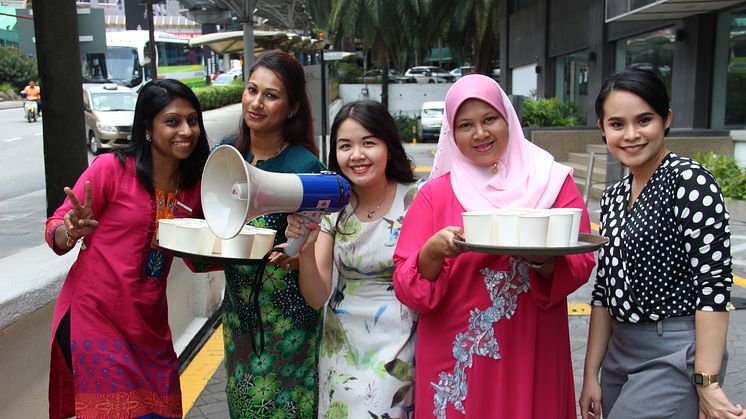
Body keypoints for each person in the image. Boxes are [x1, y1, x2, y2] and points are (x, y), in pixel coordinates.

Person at [392, 74, 595, 418]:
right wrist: (431, 253)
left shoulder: (552, 181)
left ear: (508, 119)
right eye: (465, 125)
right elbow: (408, 287)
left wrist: (538, 257)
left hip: (532, 348)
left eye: (489, 119)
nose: (480, 134)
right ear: (451, 134)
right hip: (456, 357)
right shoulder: (435, 195)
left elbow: (580, 262)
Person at [579, 68, 745, 419]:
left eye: (644, 120)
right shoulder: (613, 195)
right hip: (618, 351)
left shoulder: (689, 181)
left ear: (666, 119)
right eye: (617, 124)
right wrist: (590, 374)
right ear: (602, 127)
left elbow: (713, 285)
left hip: (674, 349)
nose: (631, 135)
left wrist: (707, 381)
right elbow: (604, 290)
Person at [45, 78, 210, 418]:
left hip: (150, 331)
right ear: (147, 130)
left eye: (192, 120)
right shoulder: (112, 169)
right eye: (172, 121)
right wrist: (70, 230)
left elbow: (198, 260)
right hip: (95, 320)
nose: (186, 130)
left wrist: (257, 250)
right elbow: (56, 228)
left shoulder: (194, 190)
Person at [286, 100, 419, 418]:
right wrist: (305, 248)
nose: (356, 155)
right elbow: (316, 296)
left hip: (401, 347)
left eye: (368, 143)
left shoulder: (417, 199)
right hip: (341, 347)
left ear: (388, 145)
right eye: (345, 146)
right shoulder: (331, 207)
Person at [216, 50, 324, 418]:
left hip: (289, 324)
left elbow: (321, 244)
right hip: (239, 320)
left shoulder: (306, 168)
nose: (256, 102)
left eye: (271, 95)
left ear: (292, 108)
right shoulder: (224, 155)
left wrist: (300, 253)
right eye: (251, 89)